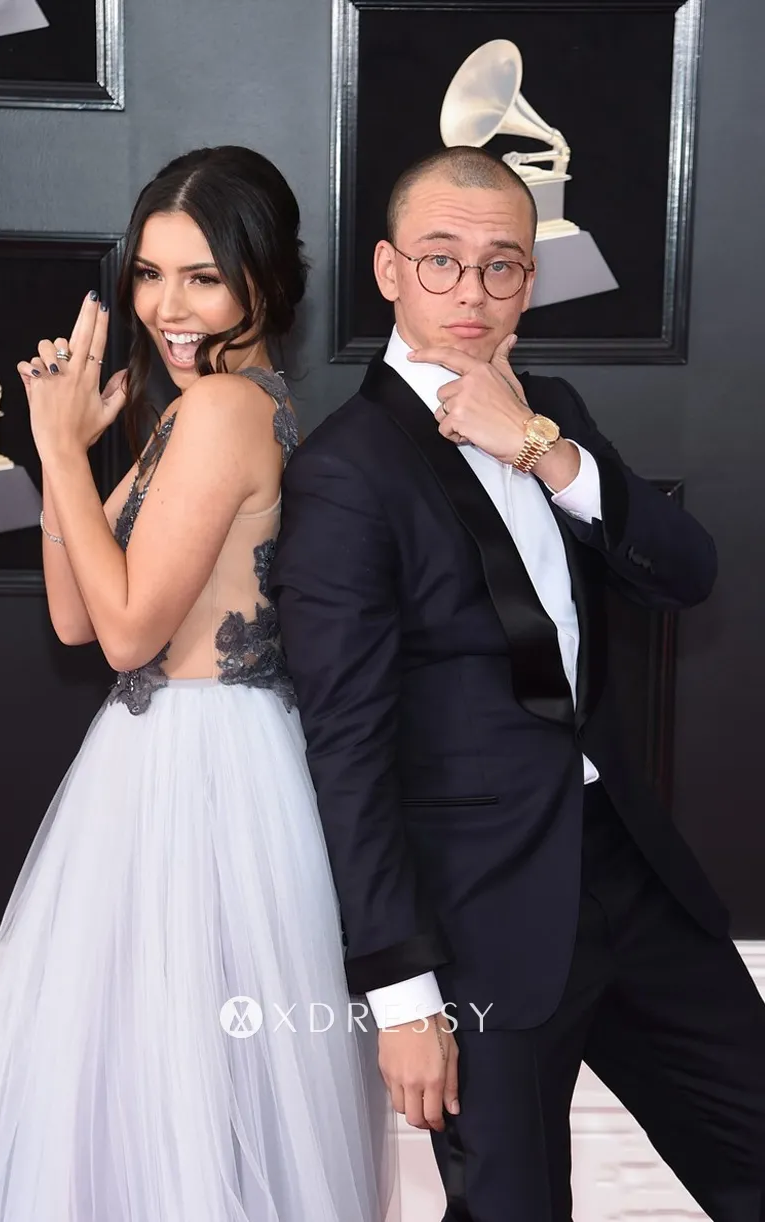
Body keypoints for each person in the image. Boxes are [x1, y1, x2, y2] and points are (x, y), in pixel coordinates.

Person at [271, 145, 765, 1221]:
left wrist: (541, 449)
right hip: (475, 921)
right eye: (441, 261)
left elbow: (685, 571)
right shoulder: (345, 472)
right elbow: (344, 747)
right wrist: (401, 998)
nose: (471, 291)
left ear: (529, 279)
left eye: (501, 265)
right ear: (389, 270)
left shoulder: (552, 406)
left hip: (626, 873)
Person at [0, 146, 393, 1222]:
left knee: (184, 1084)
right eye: (147, 273)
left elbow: (127, 632)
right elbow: (76, 612)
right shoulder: (193, 410)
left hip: (204, 779)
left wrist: (56, 451)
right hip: (160, 767)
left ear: (263, 280)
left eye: (200, 275)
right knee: (149, 1089)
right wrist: (75, 460)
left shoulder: (223, 412)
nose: (164, 304)